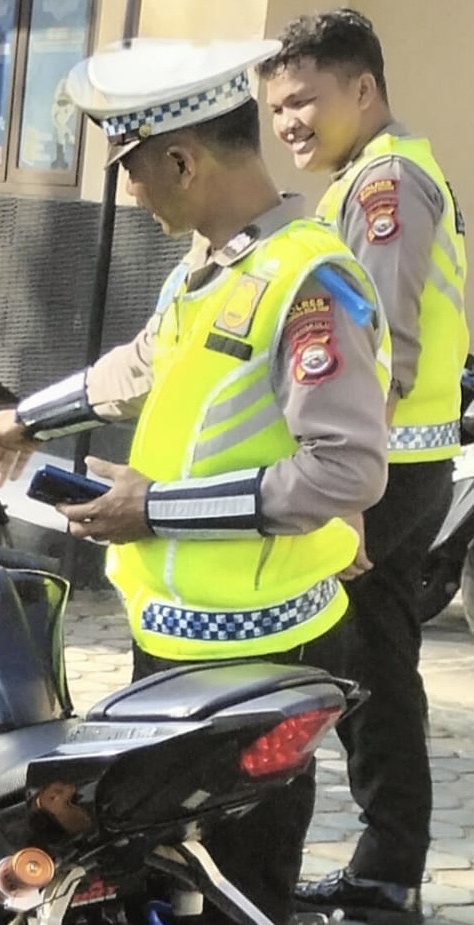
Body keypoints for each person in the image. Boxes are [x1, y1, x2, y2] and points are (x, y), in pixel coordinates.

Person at [0, 35, 392, 925]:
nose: (128, 188)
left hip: (261, 649)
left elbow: (346, 467)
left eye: (130, 167)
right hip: (179, 636)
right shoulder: (207, 267)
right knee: (157, 870)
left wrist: (149, 508)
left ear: (182, 158)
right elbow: (139, 365)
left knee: (241, 882)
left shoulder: (310, 280)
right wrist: (21, 420)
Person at [258, 11, 468, 924]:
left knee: (304, 656)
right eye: (275, 108)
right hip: (399, 466)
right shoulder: (369, 176)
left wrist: (346, 498)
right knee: (375, 666)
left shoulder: (383, 184)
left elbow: (381, 350)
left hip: (385, 467)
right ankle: (385, 877)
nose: (288, 122)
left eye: (303, 99)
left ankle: (276, 869)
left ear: (363, 90)